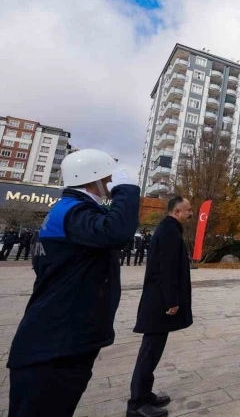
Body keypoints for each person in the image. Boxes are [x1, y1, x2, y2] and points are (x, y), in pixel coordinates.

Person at [7, 149, 139, 417]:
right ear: (95, 178)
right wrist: (126, 191)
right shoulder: (74, 212)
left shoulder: (69, 211)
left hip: (59, 336)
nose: (112, 181)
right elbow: (116, 233)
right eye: (109, 176)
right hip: (56, 344)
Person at [127, 196, 193, 417]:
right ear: (176, 212)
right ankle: (137, 403)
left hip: (159, 301)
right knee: (149, 352)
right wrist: (171, 301)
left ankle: (145, 394)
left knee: (153, 350)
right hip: (159, 304)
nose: (191, 213)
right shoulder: (168, 232)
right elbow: (166, 269)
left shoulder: (170, 230)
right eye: (188, 210)